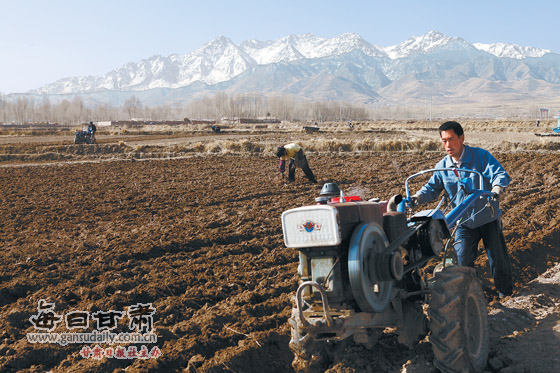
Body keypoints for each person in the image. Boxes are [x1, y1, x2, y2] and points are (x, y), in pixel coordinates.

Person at [411, 121, 513, 297]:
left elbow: (499, 174)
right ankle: (470, 297)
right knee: (463, 262)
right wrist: (416, 197)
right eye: (444, 141)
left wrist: (497, 188)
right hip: (463, 222)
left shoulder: (480, 157)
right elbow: (431, 189)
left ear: (462, 138)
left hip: (487, 216)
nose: (448, 145)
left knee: (497, 258)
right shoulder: (443, 167)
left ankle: (506, 294)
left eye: (451, 139)